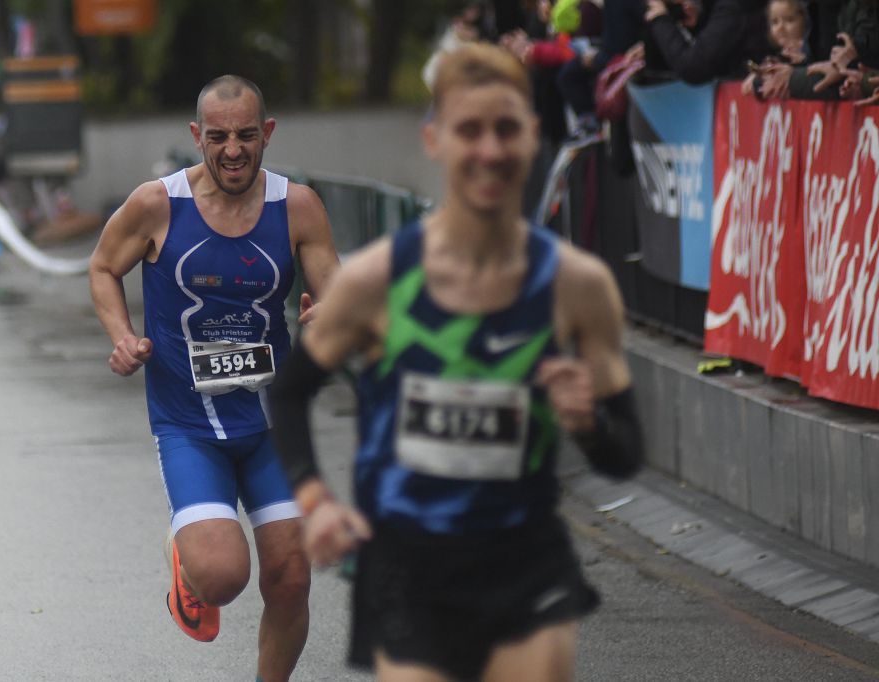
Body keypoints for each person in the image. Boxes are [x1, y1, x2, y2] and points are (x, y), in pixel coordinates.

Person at [269, 43, 643, 682]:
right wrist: (316, 499)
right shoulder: (377, 279)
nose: (490, 150)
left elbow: (626, 452)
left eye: (507, 128)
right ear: (434, 139)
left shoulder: (578, 286)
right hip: (410, 572)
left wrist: (586, 425)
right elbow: (290, 391)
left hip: (526, 563)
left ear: (532, 135)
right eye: (470, 130)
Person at [88, 75, 339, 682]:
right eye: (219, 136)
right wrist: (122, 336)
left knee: (291, 577)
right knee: (225, 577)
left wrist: (329, 314)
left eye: (247, 135)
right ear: (197, 136)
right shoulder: (157, 204)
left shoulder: (297, 206)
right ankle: (192, 566)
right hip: (188, 425)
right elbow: (101, 266)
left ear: (267, 134)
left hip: (271, 420)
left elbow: (336, 290)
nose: (233, 150)